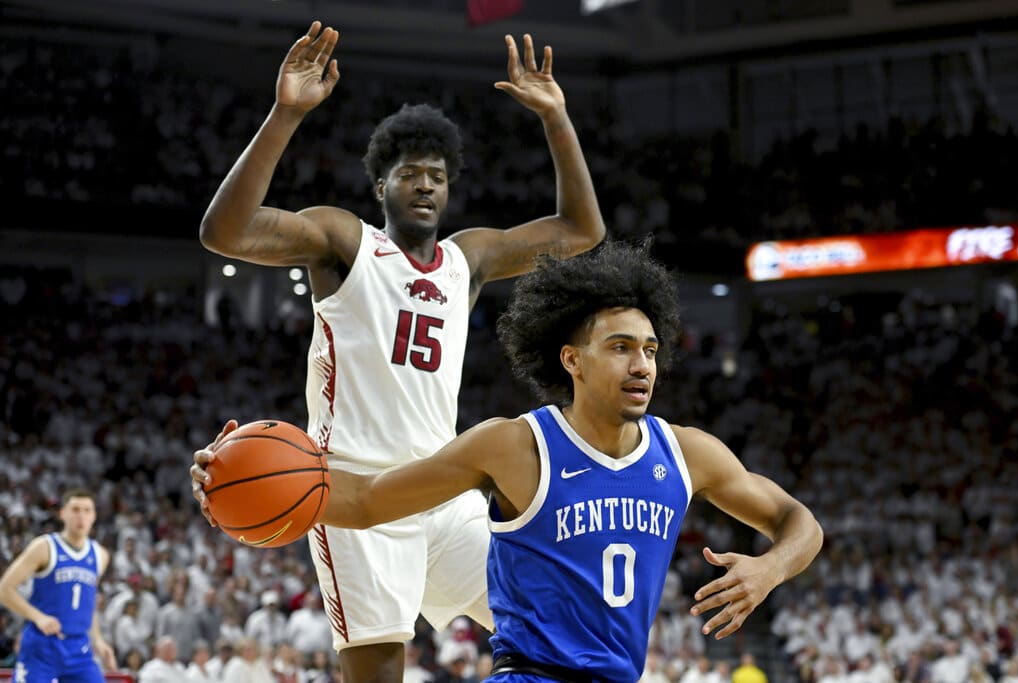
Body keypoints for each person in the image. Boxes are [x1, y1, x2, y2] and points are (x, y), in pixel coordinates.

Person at [194, 243, 823, 682]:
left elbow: (800, 522)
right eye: (621, 348)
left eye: (652, 350)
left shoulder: (686, 453)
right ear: (572, 360)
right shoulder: (515, 447)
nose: (643, 366)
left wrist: (770, 568)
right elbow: (365, 500)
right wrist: (238, 482)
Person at [194, 16, 604, 683]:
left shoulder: (467, 259)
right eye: (410, 173)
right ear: (380, 187)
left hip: (443, 488)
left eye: (437, 176)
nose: (425, 184)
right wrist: (284, 113)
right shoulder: (345, 241)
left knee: (559, 627)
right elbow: (226, 230)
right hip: (353, 491)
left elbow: (581, 229)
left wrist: (556, 118)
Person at [0, 489, 118, 682]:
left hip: (79, 648)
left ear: (94, 515)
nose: (81, 516)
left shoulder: (100, 555)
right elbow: (4, 590)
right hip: (42, 647)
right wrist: (38, 617)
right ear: (62, 513)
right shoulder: (44, 547)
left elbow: (88, 604)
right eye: (75, 509)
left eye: (87, 510)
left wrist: (98, 639)